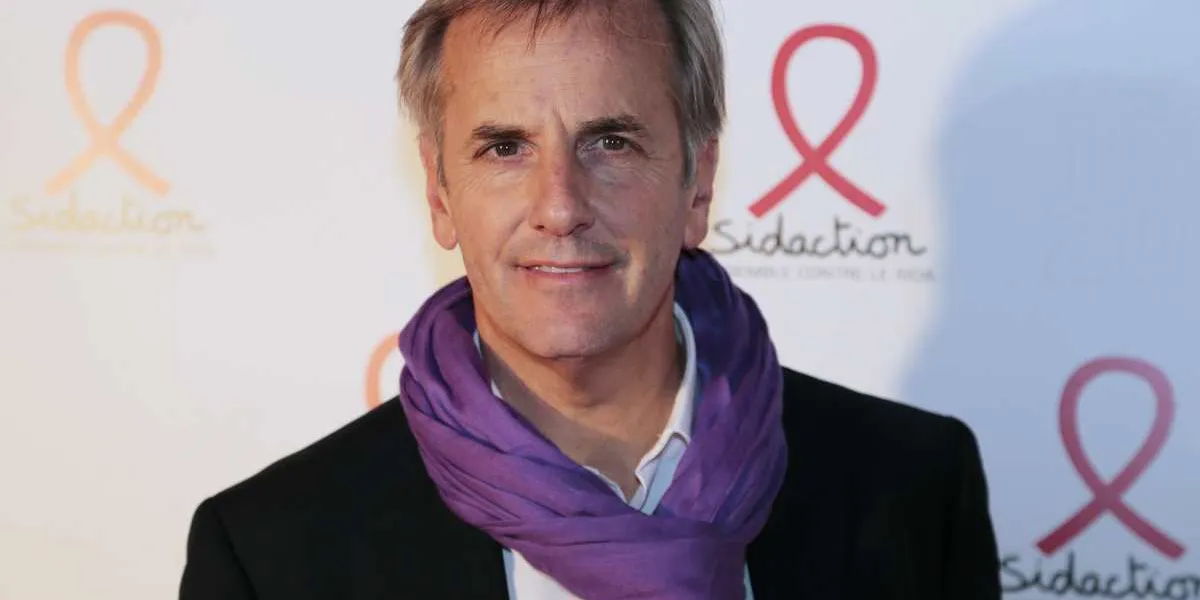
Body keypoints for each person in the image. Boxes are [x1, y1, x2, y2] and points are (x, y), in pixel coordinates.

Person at [178, 0, 1001, 598]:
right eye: (505, 147)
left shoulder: (914, 494)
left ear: (698, 180)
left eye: (611, 141)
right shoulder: (274, 553)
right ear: (438, 190)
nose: (562, 205)